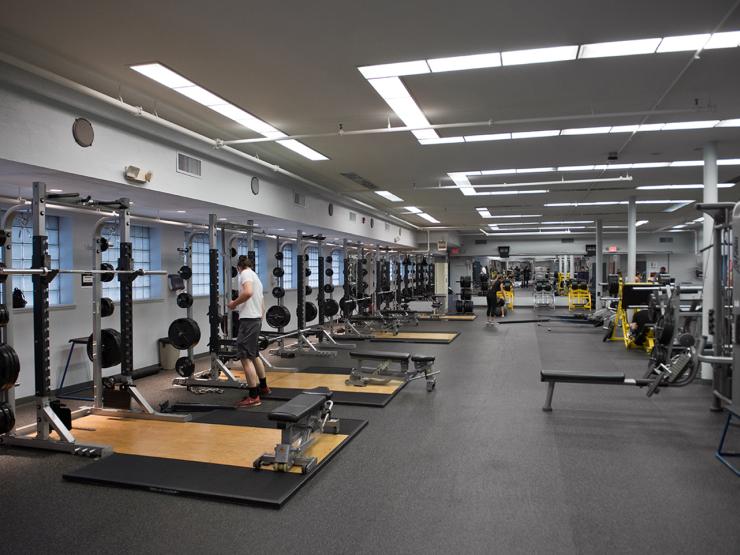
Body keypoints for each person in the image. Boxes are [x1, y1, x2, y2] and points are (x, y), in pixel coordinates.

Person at [227, 255, 269, 408]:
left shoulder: (244, 274)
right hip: (255, 319)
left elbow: (248, 293)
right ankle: (263, 387)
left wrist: (233, 304)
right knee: (254, 354)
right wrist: (260, 316)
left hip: (249, 320)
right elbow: (262, 300)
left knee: (245, 357)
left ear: (239, 267)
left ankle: (253, 396)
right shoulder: (255, 275)